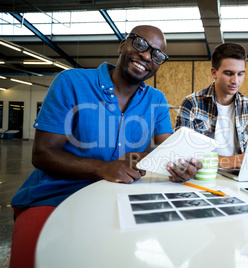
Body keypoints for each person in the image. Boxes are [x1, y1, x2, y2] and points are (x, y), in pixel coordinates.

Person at [9, 25, 201, 268]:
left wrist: (181, 166)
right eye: (141, 44)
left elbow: (168, 152)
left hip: (122, 199)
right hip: (56, 196)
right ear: (123, 45)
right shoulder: (72, 82)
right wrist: (103, 168)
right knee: (33, 259)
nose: (146, 56)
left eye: (157, 55)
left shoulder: (156, 100)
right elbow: (43, 153)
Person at [175, 43, 248, 169]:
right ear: (214, 72)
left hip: (238, 180)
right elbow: (181, 153)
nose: (235, 81)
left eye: (240, 74)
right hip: (200, 177)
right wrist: (225, 161)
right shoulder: (191, 104)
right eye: (229, 73)